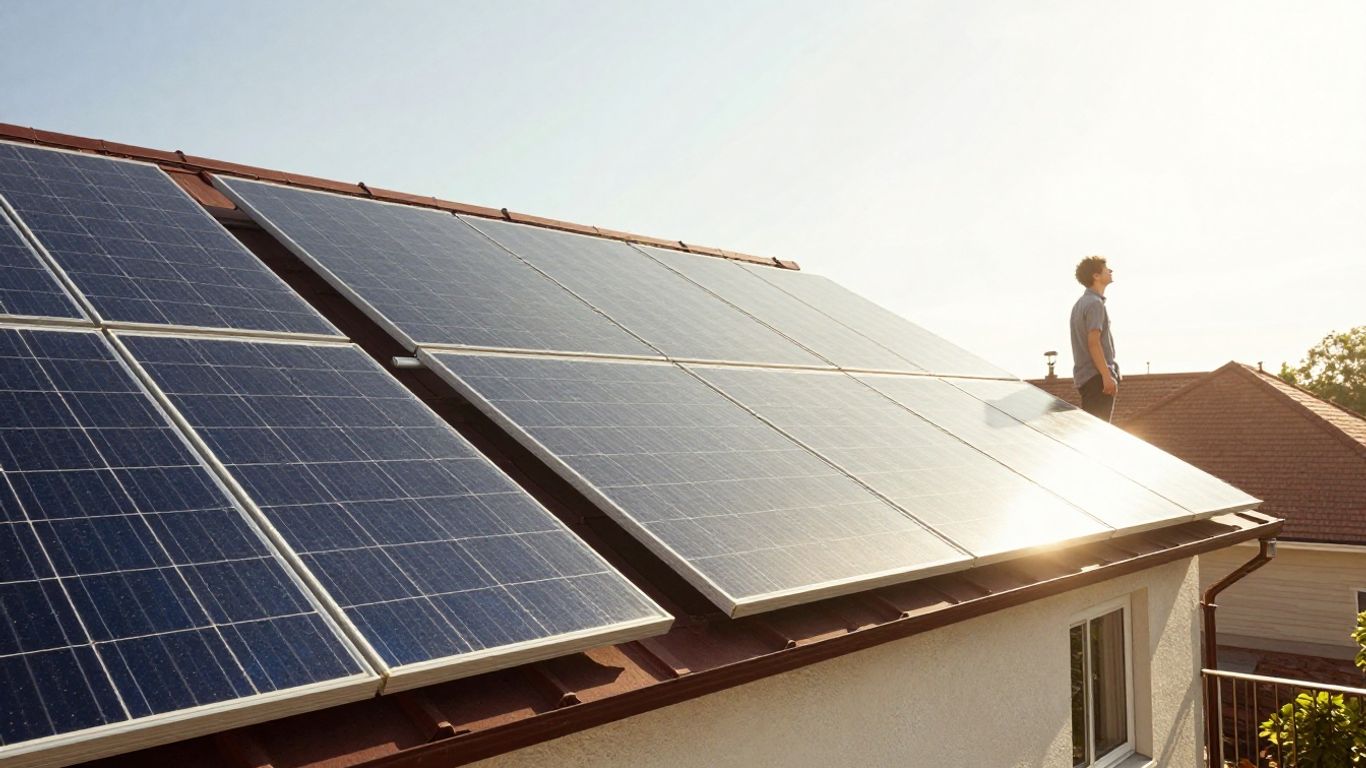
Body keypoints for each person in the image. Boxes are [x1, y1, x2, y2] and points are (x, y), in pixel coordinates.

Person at [1069, 256, 1119, 421]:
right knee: (1099, 434)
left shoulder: (1079, 304)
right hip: (1096, 379)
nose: (1110, 271)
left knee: (1092, 429)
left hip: (1087, 379)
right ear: (1096, 276)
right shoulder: (1095, 304)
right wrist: (1106, 375)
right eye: (1107, 269)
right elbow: (1093, 343)